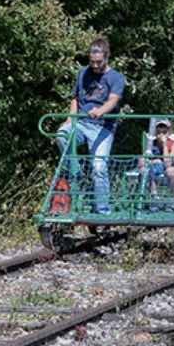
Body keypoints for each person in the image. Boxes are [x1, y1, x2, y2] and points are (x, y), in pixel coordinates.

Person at [56, 36, 126, 215]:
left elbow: (113, 100)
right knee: (62, 134)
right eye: (92, 61)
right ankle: (77, 172)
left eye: (98, 62)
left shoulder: (116, 77)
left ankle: (102, 210)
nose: (95, 65)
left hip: (103, 127)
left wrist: (101, 110)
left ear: (107, 57)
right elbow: (76, 98)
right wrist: (70, 119)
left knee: (99, 167)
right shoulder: (83, 73)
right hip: (82, 123)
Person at [139, 118, 174, 211]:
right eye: (158, 132)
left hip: (168, 169)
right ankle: (155, 198)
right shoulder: (151, 144)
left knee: (171, 171)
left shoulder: (173, 144)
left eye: (164, 132)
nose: (161, 135)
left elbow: (168, 164)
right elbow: (141, 163)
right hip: (154, 169)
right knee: (144, 171)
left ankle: (172, 199)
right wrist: (147, 156)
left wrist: (164, 145)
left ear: (169, 132)